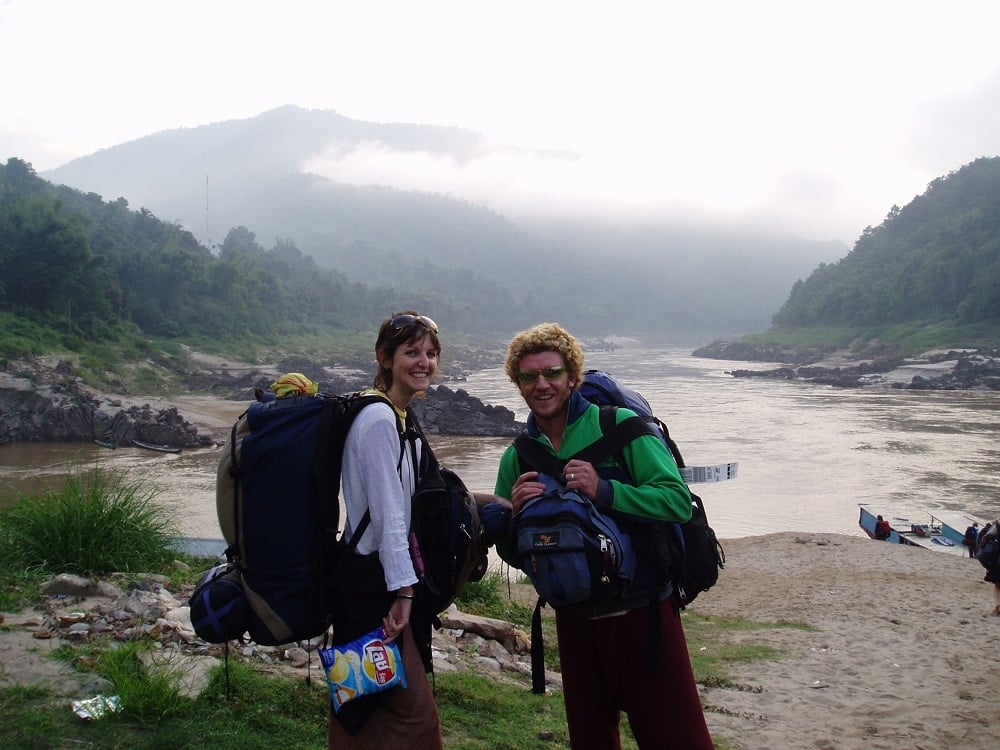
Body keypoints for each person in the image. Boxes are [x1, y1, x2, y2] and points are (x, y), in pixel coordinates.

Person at [492, 322, 714, 750]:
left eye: (552, 373)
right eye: (528, 376)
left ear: (572, 376)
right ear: (518, 383)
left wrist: (605, 490)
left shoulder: (622, 427)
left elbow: (676, 501)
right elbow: (513, 552)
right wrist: (515, 517)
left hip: (645, 615)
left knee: (679, 739)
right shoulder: (518, 457)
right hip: (575, 623)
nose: (541, 384)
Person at [327, 310, 444, 749]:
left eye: (431, 353)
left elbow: (411, 499)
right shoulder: (379, 420)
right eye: (411, 352)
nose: (424, 362)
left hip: (372, 579)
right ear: (385, 358)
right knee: (411, 718)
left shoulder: (397, 416)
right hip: (372, 584)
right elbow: (390, 514)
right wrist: (405, 593)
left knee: (360, 703)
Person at [977, 520, 1000, 616]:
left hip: (997, 559)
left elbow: (985, 538)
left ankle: (998, 605)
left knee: (998, 585)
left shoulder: (998, 525)